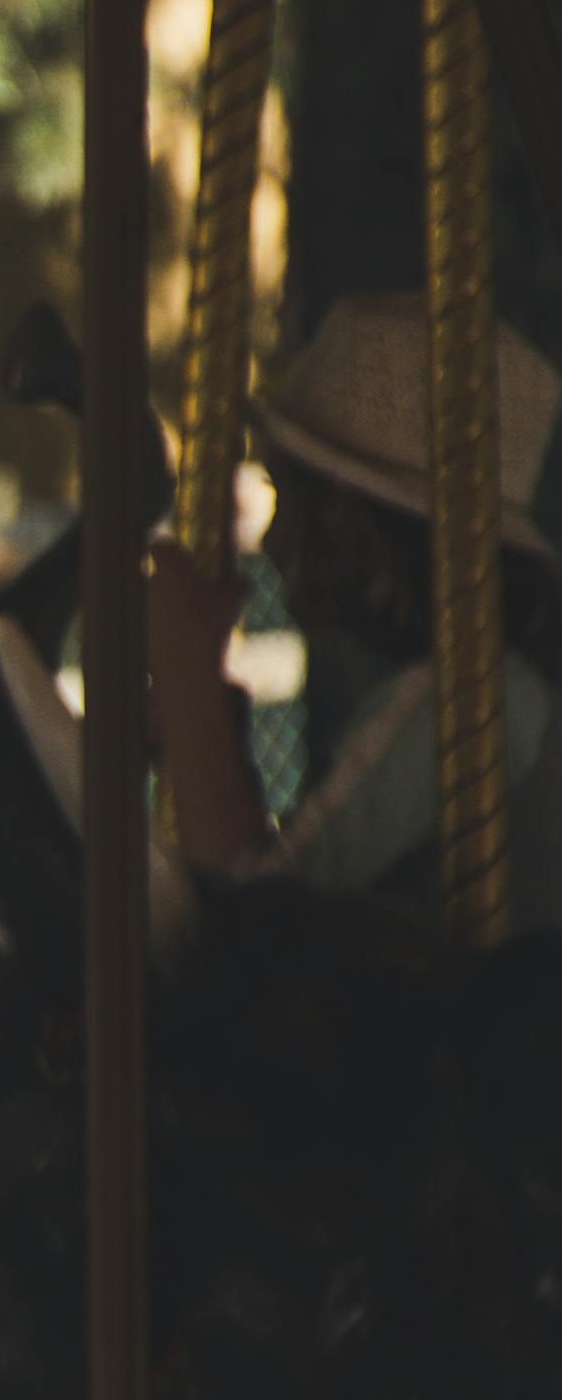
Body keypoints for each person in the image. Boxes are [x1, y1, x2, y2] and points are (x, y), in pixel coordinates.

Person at [150, 293, 562, 928]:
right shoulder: (501, 689)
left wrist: (190, 684)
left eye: (286, 497)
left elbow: (251, 930)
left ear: (346, 515)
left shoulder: (469, 704)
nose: (271, 539)